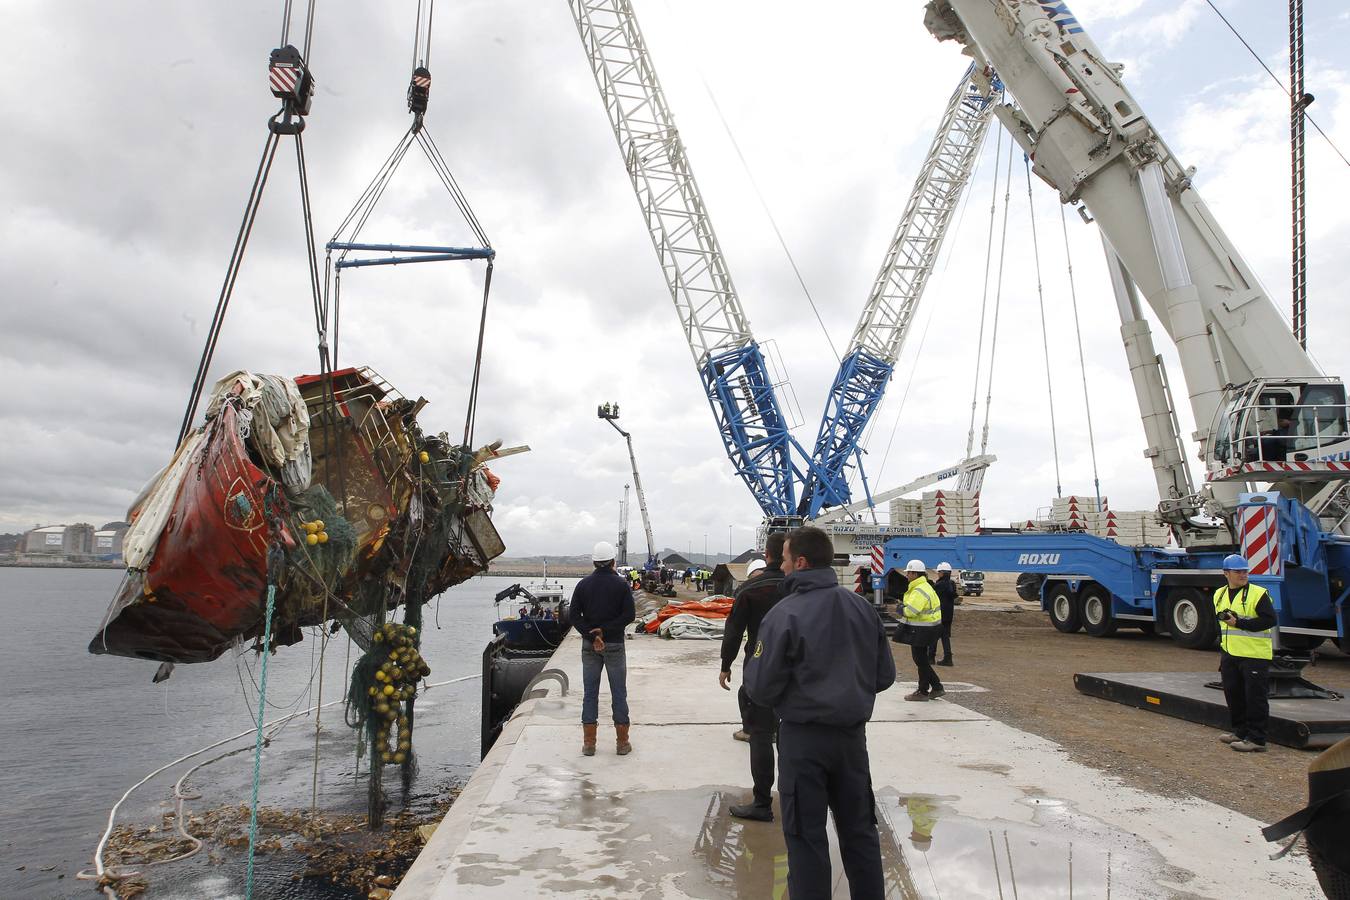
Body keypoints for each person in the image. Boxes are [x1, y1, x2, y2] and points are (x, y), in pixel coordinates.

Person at [746, 525, 895, 900]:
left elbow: (761, 689)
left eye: (782, 559)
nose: (780, 567)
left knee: (806, 839)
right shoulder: (862, 608)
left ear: (799, 561)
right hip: (850, 740)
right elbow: (885, 675)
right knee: (860, 833)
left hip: (803, 740)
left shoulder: (784, 615)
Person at [719, 539, 788, 821]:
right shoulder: (799, 588)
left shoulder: (750, 590)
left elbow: (733, 631)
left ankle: (762, 803)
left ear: (767, 555)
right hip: (797, 672)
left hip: (760, 669)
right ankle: (793, 797)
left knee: (760, 735)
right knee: (791, 734)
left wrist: (726, 666)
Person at [570, 540, 637, 756]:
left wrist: (592, 634)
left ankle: (589, 745)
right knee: (619, 693)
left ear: (593, 561)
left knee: (590, 693)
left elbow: (573, 616)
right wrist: (605, 632)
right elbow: (629, 615)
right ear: (613, 562)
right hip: (615, 644)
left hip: (590, 646)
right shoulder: (621, 585)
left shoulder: (583, 585)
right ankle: (622, 743)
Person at [1214, 553, 1276, 752]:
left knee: (1255, 698)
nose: (1243, 574)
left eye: (1245, 571)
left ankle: (1257, 739)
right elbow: (1221, 625)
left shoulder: (1258, 594)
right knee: (1234, 694)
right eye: (1238, 571)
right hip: (1230, 653)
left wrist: (1239, 623)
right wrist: (1223, 652)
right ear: (1226, 573)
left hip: (1254, 655)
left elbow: (1269, 620)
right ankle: (1240, 732)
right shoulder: (1219, 594)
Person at [896, 559, 944, 701]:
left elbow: (911, 611)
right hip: (928, 628)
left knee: (920, 660)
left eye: (909, 572)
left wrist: (900, 608)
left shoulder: (919, 589)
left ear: (915, 573)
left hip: (922, 629)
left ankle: (924, 691)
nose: (907, 575)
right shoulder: (925, 586)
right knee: (921, 660)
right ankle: (936, 687)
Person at [928, 562, 957, 667]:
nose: (937, 574)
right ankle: (948, 658)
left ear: (942, 573)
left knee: (933, 636)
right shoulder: (952, 584)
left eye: (939, 572)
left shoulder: (939, 585)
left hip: (939, 615)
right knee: (945, 637)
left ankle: (930, 657)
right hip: (948, 615)